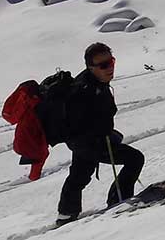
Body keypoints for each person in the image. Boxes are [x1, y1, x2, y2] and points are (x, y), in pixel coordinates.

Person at [51, 42, 145, 226]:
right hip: (90, 142)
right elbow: (77, 124)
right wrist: (100, 136)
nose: (109, 68)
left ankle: (66, 214)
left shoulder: (95, 84)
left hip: (88, 142)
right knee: (134, 158)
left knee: (79, 175)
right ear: (91, 67)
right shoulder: (83, 90)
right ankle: (118, 201)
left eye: (111, 62)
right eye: (103, 65)